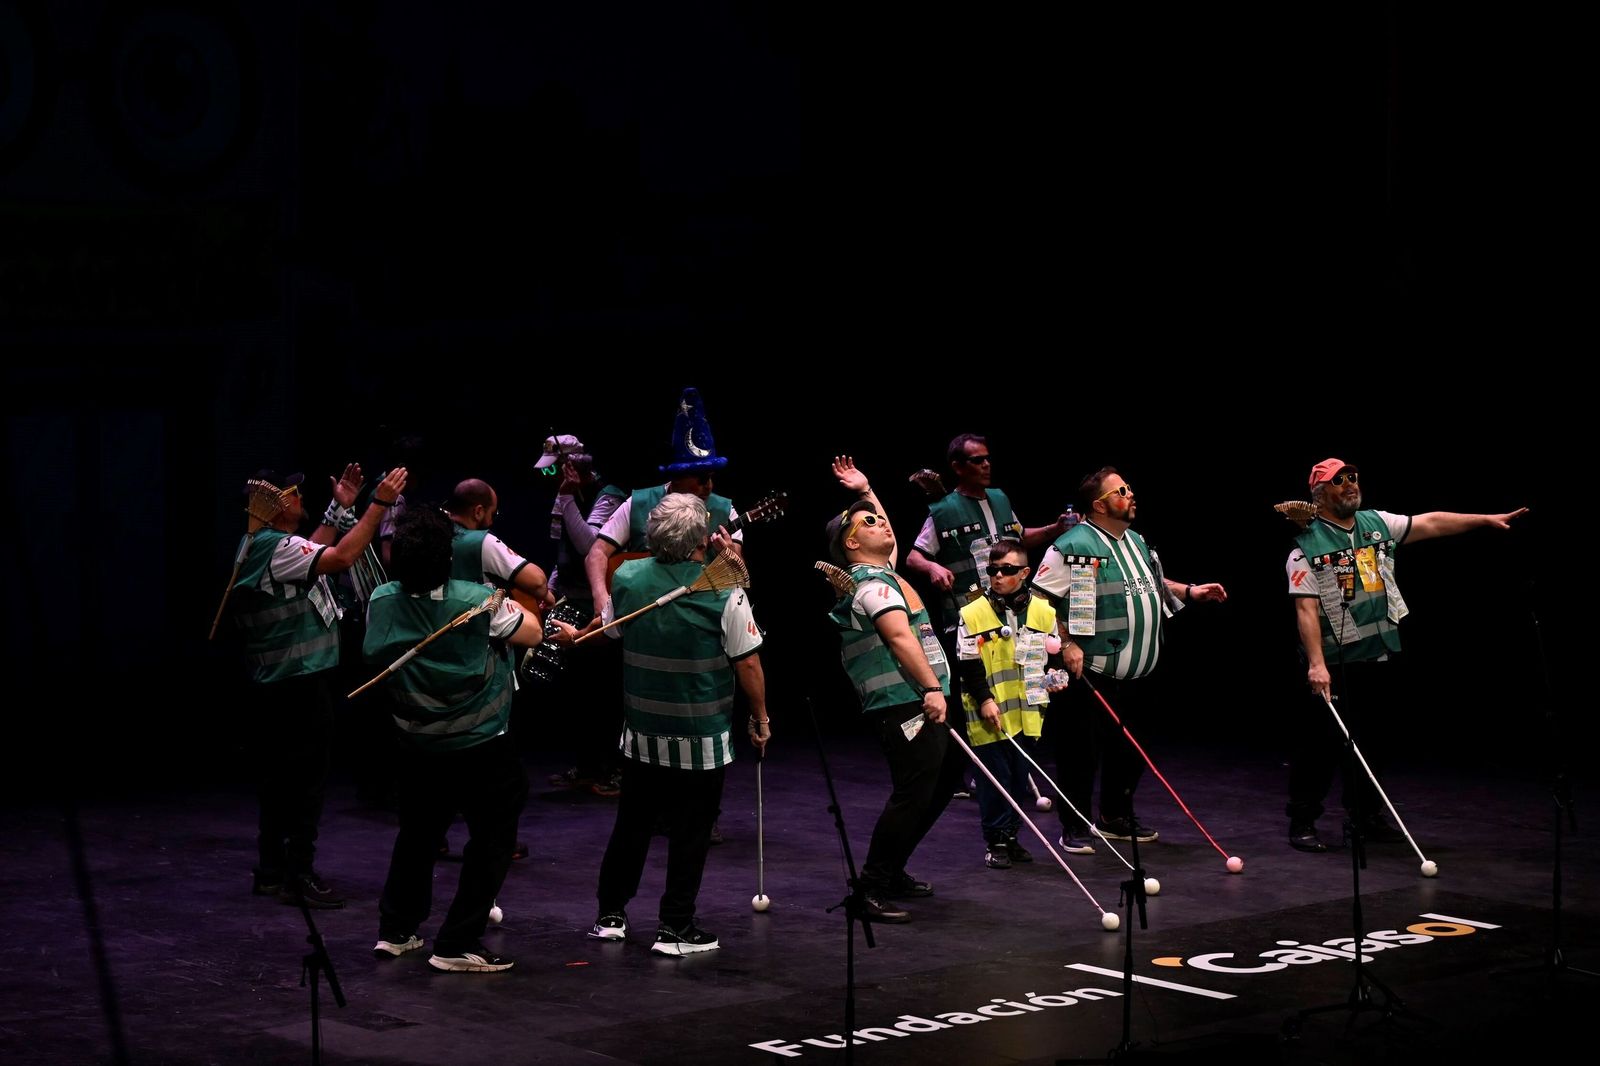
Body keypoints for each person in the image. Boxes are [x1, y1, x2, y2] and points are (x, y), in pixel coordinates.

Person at [1284, 458, 1528, 852]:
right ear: (1320, 493)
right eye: (1339, 481)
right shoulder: (1305, 548)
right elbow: (1305, 611)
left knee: (1374, 742)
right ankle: (1303, 820)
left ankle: (1364, 817)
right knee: (1321, 746)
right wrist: (1317, 664)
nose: (1350, 484)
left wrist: (1484, 519)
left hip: (1379, 654)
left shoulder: (1376, 524)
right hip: (1334, 662)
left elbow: (1430, 522)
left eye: (1353, 477)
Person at [364, 506, 545, 972]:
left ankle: (397, 931)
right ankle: (457, 941)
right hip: (480, 743)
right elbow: (533, 631)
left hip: (417, 744)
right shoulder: (478, 600)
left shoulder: (381, 599)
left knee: (419, 835)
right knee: (492, 839)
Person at [586, 493, 769, 955]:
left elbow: (612, 629)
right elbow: (748, 664)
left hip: (643, 732)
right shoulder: (724, 590)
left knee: (632, 823)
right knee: (691, 831)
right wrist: (761, 718)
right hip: (700, 736)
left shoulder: (626, 575)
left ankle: (611, 915)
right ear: (700, 540)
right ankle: (676, 927)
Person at [227, 463, 408, 908]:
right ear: (276, 504)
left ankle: (271, 869)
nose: (301, 500)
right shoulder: (274, 548)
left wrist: (338, 507)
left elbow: (314, 548)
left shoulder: (260, 544)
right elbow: (341, 557)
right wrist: (378, 504)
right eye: (295, 494)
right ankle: (298, 873)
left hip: (279, 685)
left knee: (279, 780)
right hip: (297, 684)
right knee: (305, 782)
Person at [1030, 467, 1226, 850]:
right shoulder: (1071, 546)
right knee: (1080, 754)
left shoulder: (1137, 541)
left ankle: (1114, 817)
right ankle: (1074, 824)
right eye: (1122, 490)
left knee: (1132, 749)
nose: (1131, 494)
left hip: (1142, 670)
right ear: (1099, 504)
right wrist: (1066, 643)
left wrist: (1190, 591)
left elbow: (1153, 584)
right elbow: (1039, 601)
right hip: (1093, 670)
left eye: (1130, 488)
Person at [824, 457, 966, 923]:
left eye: (882, 518)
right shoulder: (869, 586)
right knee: (912, 792)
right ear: (850, 542)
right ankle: (868, 888)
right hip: (903, 702)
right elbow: (899, 637)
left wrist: (866, 490)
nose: (882, 522)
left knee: (941, 782)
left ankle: (894, 868)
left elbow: (883, 531)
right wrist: (931, 688)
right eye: (870, 521)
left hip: (922, 698)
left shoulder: (883, 572)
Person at [956, 539, 1068, 869]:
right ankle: (995, 842)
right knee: (995, 780)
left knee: (1020, 778)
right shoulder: (972, 612)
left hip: (1028, 711)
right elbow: (968, 663)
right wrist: (986, 699)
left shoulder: (1043, 611)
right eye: (993, 570)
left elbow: (1050, 658)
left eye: (1007, 570)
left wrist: (1053, 679)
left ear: (1024, 573)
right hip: (988, 712)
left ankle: (1012, 836)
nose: (998, 576)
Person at [538, 434, 629, 795]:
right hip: (570, 598)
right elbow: (563, 546)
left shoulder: (610, 496)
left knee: (603, 690)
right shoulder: (568, 496)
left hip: (600, 604)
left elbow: (590, 546)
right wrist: (551, 586)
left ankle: (614, 769)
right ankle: (589, 765)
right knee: (580, 692)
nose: (550, 478)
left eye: (555, 471)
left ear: (572, 466)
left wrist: (564, 498)